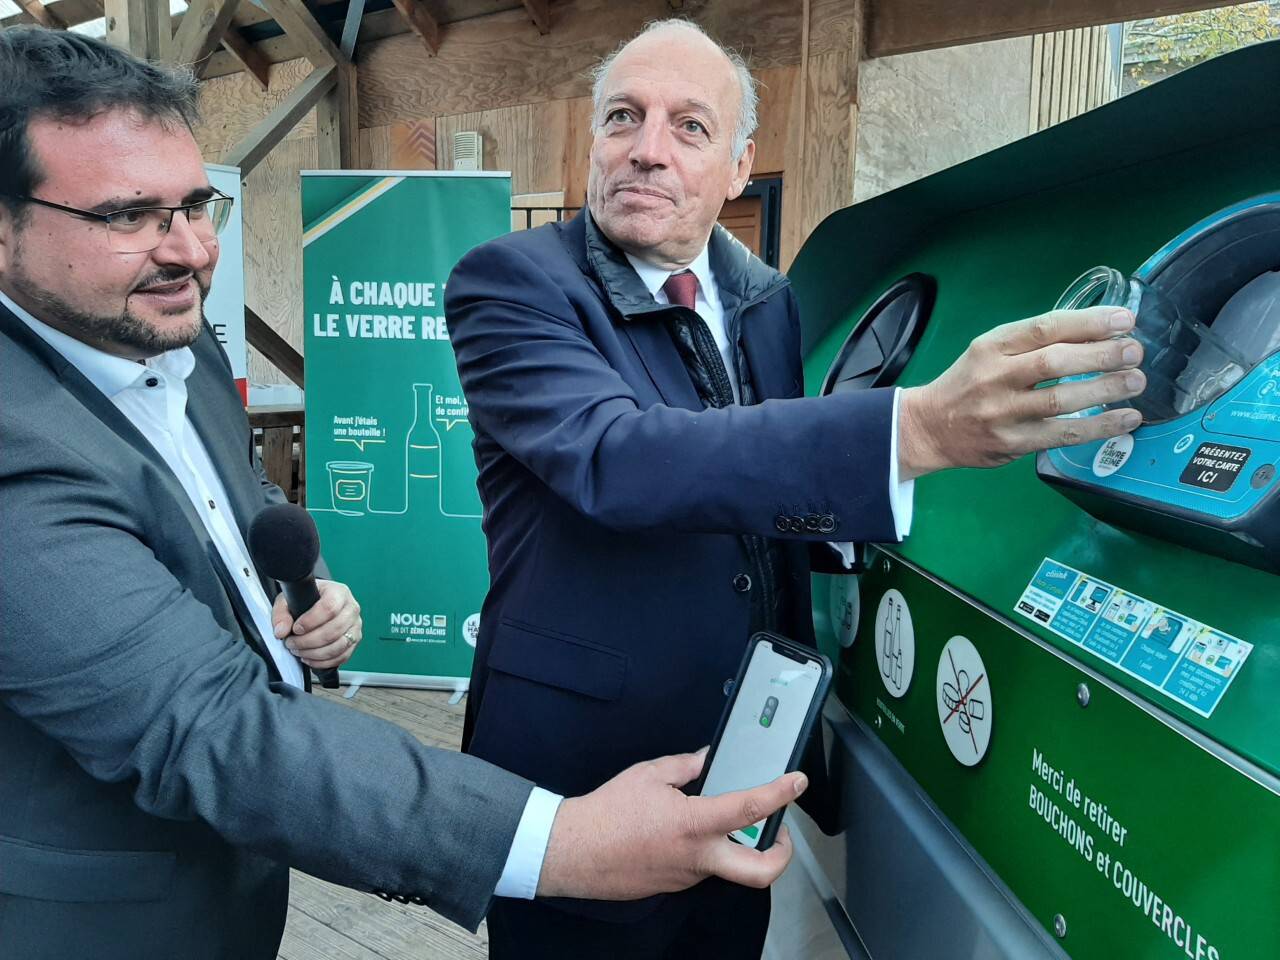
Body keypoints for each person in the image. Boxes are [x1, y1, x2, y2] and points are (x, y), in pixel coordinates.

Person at [0, 27, 807, 960]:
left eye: (196, 204)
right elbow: (212, 727)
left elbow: (236, 493)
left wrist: (302, 596)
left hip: (232, 886)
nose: (189, 251)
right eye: (129, 215)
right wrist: (559, 842)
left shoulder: (168, 337)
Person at [444, 17, 1149, 959]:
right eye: (623, 118)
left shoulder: (765, 297)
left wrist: (865, 520)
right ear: (592, 141)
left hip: (746, 757)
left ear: (739, 168)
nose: (647, 151)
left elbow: (760, 507)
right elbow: (618, 460)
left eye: (689, 128)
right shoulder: (511, 283)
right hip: (584, 779)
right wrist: (913, 429)